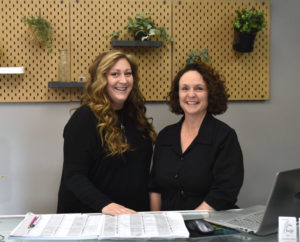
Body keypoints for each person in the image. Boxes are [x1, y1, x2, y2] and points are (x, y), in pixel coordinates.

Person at [57, 50, 156, 215]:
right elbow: (73, 176)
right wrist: (106, 205)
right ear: (101, 79)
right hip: (93, 218)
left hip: (131, 219)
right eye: (115, 74)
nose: (123, 80)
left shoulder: (135, 115)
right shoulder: (84, 118)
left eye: (128, 74)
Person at [149, 62, 244, 211]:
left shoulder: (224, 137)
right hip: (169, 227)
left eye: (199, 88)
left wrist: (191, 221)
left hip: (208, 226)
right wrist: (155, 222)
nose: (191, 94)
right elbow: (155, 187)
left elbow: (225, 191)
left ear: (210, 93)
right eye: (184, 88)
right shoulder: (165, 136)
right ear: (177, 94)